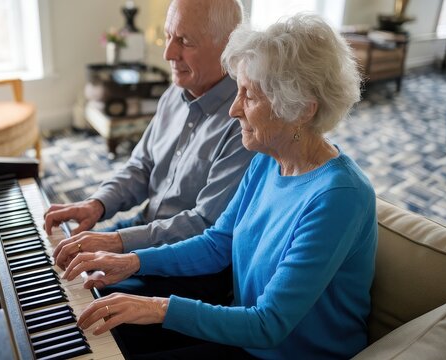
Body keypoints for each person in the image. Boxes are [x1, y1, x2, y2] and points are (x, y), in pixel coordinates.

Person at [64, 13, 378, 359]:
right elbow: (217, 243)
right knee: (102, 331)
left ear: (301, 110)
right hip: (244, 336)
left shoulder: (338, 198)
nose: (233, 109)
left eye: (250, 96)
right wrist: (133, 261)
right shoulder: (267, 159)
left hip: (285, 352)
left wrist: (157, 307)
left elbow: (268, 324)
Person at [45, 0, 252, 305]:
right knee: (60, 265)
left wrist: (116, 242)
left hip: (188, 270)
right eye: (169, 36)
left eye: (184, 41)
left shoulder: (245, 121)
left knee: (79, 299)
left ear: (229, 46)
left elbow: (202, 227)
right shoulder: (174, 93)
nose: (169, 53)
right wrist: (97, 205)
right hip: (144, 227)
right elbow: (142, 165)